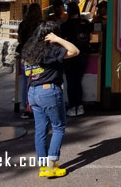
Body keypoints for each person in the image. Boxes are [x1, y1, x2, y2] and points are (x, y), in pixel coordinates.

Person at [22, 21, 79, 178]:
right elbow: (75, 51)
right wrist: (58, 39)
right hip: (48, 92)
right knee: (59, 127)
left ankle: (42, 165)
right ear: (52, 34)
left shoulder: (30, 50)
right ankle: (51, 164)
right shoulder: (52, 50)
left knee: (40, 129)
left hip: (32, 93)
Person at [60, 1, 91, 117]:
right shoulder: (86, 23)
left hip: (69, 56)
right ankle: (80, 106)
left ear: (68, 12)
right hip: (84, 55)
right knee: (78, 80)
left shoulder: (65, 26)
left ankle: (74, 106)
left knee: (71, 81)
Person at [17, 3, 43, 119]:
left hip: (25, 56)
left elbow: (19, 39)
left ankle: (26, 108)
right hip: (38, 56)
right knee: (38, 82)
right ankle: (37, 106)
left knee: (26, 82)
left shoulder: (23, 24)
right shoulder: (41, 25)